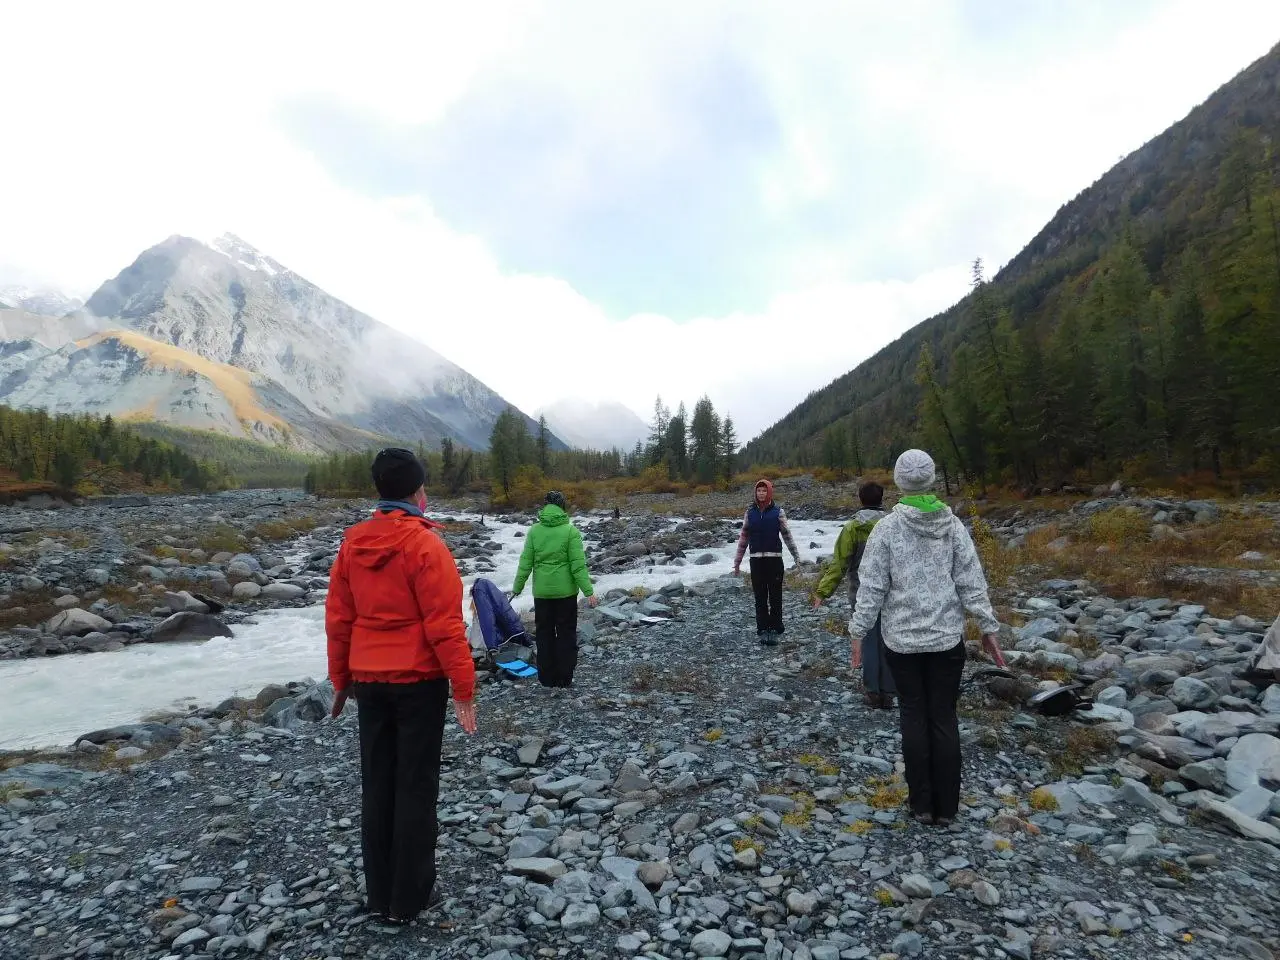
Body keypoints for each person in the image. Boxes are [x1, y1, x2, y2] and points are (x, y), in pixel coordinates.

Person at [325, 447, 478, 925]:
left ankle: (379, 895)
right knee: (415, 785)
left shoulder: (351, 545)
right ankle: (408, 900)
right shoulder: (426, 545)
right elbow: (445, 625)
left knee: (378, 784)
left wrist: (341, 680)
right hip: (418, 682)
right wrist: (464, 687)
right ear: (417, 491)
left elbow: (339, 619)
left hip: (369, 682)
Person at [848, 449, 1005, 827]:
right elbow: (971, 581)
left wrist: (858, 631)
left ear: (899, 482)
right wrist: (988, 627)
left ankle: (921, 804)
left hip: (902, 643)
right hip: (946, 641)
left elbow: (872, 587)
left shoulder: (886, 529)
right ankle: (947, 807)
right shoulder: (953, 526)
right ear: (931, 479)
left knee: (914, 715)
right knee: (944, 717)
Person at [812, 481, 896, 709]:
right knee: (889, 640)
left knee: (867, 639)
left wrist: (823, 592)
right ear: (882, 499)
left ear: (860, 499)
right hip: (890, 594)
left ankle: (872, 691)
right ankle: (888, 692)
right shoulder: (893, 525)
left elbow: (839, 563)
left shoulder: (852, 527)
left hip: (860, 593)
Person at [512, 491, 597, 688]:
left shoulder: (534, 531)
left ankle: (547, 679)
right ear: (562, 506)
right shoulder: (570, 531)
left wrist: (517, 587)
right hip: (566, 594)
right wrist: (588, 591)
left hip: (542, 594)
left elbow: (525, 563)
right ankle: (565, 678)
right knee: (566, 633)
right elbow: (578, 566)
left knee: (544, 635)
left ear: (545, 506)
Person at [732, 478, 802, 645]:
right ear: (755, 493)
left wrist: (796, 557)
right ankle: (762, 627)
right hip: (756, 561)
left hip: (774, 560)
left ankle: (776, 626)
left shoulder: (778, 512)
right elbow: (744, 538)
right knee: (760, 595)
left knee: (775, 595)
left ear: (769, 492)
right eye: (759, 490)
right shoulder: (750, 513)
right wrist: (737, 561)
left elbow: (787, 536)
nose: (761, 493)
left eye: (764, 490)